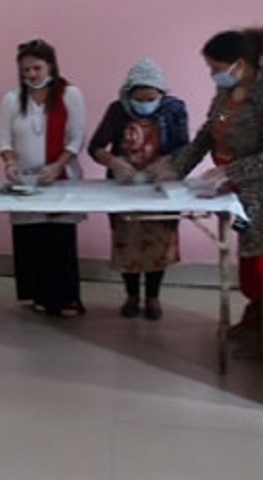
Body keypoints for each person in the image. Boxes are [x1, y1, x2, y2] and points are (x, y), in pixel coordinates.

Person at [149, 28, 263, 344]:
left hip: (256, 186)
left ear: (239, 64)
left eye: (216, 68)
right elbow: (206, 135)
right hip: (236, 189)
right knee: (249, 260)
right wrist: (176, 168)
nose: (213, 75)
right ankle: (255, 317)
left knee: (259, 263)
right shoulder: (227, 93)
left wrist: (231, 171)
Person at [89, 58, 189, 321]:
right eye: (139, 99)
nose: (145, 104)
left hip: (160, 187)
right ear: (128, 95)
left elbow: (185, 147)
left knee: (158, 243)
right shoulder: (117, 111)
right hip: (125, 188)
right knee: (128, 243)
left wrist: (167, 161)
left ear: (162, 94)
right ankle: (131, 295)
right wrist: (113, 161)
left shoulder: (174, 110)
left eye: (151, 98)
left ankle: (153, 296)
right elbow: (95, 146)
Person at [0, 39, 87, 318]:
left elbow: (77, 138)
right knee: (32, 238)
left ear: (51, 66)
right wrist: (10, 163)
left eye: (36, 68)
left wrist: (57, 165)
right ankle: (39, 295)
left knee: (60, 239)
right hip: (25, 183)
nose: (31, 75)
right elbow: (4, 140)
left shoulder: (70, 95)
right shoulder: (12, 99)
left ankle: (67, 298)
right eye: (26, 70)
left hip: (61, 177)